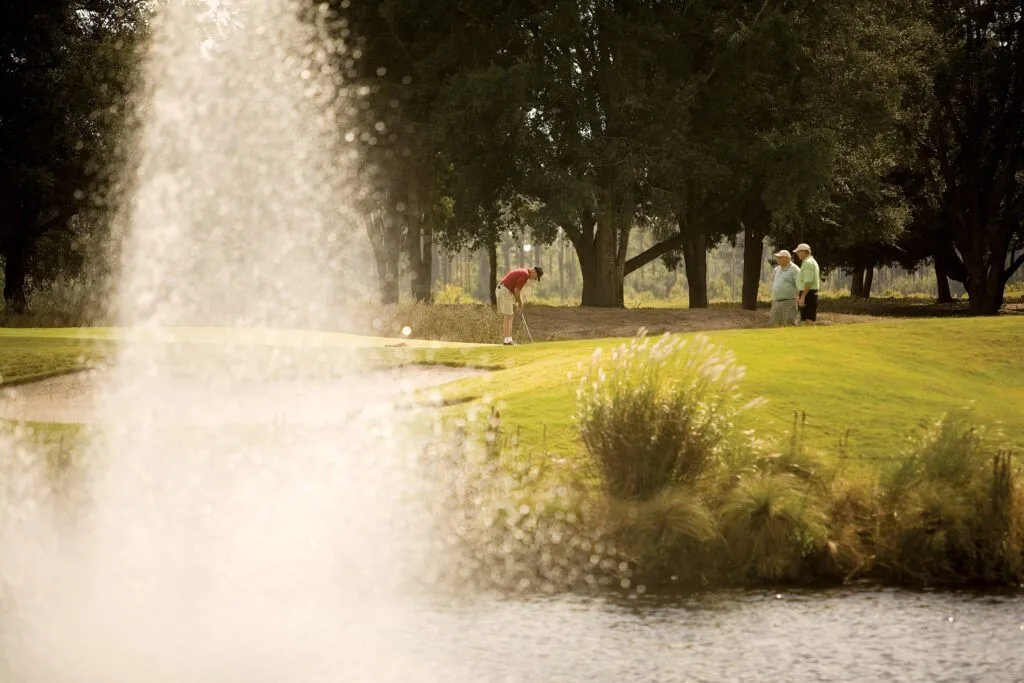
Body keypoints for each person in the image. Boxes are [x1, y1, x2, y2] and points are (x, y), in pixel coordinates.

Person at [496, 265, 543, 345]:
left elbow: (515, 289)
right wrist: (520, 303)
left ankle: (508, 340)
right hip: (504, 290)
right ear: (534, 272)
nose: (534, 279)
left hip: (504, 290)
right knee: (508, 315)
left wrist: (517, 301)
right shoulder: (525, 274)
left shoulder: (524, 272)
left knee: (510, 315)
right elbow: (516, 290)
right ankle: (507, 341)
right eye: (536, 277)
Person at [769, 250, 801, 327]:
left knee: (789, 325)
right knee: (775, 325)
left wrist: (799, 297)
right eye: (777, 257)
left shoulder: (795, 269)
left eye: (779, 257)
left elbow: (800, 285)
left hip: (789, 302)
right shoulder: (777, 269)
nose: (777, 259)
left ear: (786, 259)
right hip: (776, 302)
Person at [794, 242, 821, 326]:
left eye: (798, 252)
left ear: (803, 252)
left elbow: (809, 282)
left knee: (808, 320)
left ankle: (811, 337)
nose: (797, 254)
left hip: (808, 294)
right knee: (805, 319)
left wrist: (802, 297)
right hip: (808, 293)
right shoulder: (809, 261)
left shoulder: (808, 263)